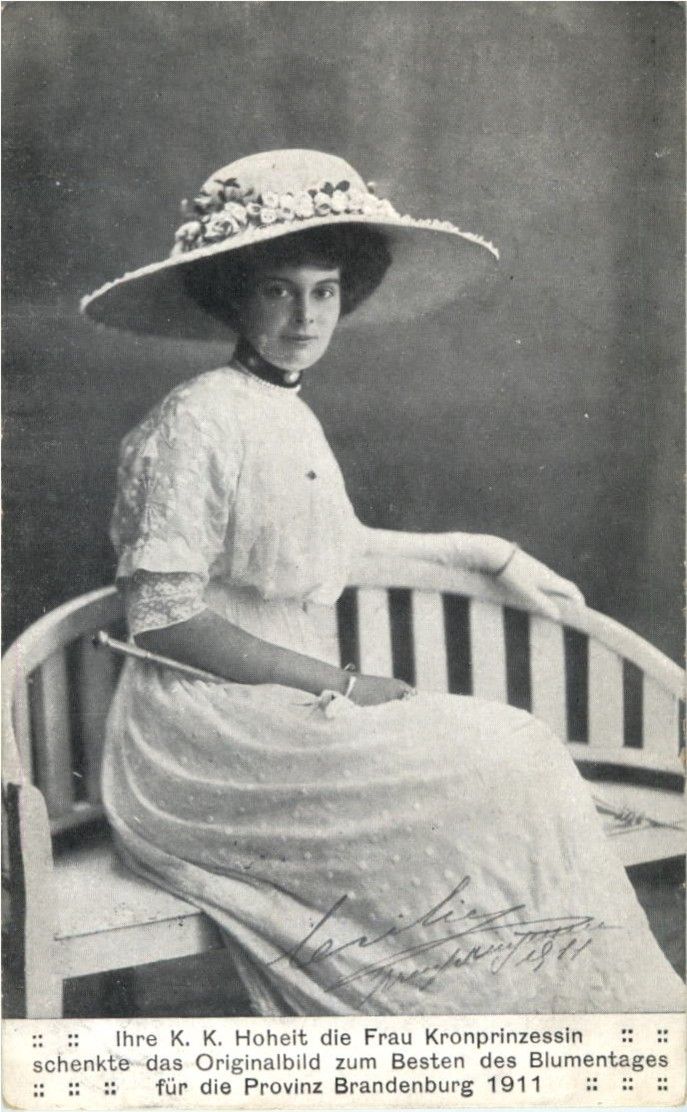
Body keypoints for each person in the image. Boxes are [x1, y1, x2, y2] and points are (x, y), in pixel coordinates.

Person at [82, 149, 684, 1015]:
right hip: (204, 736)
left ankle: (532, 1009)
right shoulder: (197, 418)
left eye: (324, 291)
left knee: (512, 760)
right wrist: (343, 683)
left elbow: (331, 547)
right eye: (279, 290)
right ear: (233, 297)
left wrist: (488, 553)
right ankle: (478, 1017)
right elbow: (164, 619)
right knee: (510, 754)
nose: (304, 316)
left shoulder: (279, 409)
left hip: (283, 712)